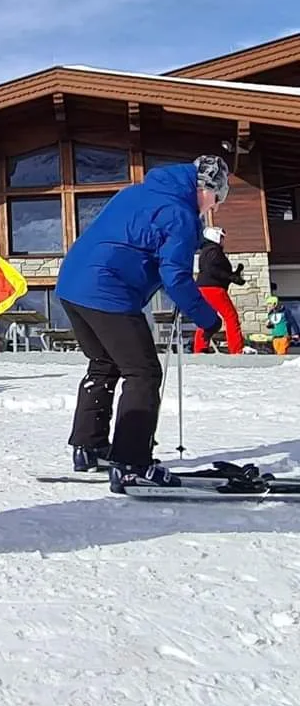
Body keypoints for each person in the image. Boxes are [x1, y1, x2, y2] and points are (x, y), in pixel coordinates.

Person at [55, 155, 228, 491]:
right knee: (143, 373)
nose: (214, 206)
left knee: (104, 363)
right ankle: (132, 464)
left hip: (71, 285)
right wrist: (207, 318)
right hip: (106, 291)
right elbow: (175, 277)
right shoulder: (178, 213)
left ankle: (89, 447)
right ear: (204, 188)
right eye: (216, 197)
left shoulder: (136, 192)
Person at [193, 226, 245, 354]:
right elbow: (212, 270)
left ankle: (200, 348)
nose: (223, 241)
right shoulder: (213, 250)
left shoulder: (207, 251)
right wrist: (230, 276)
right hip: (213, 289)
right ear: (214, 237)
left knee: (207, 317)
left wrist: (233, 275)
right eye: (221, 237)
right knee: (231, 317)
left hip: (204, 287)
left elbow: (215, 270)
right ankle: (236, 349)